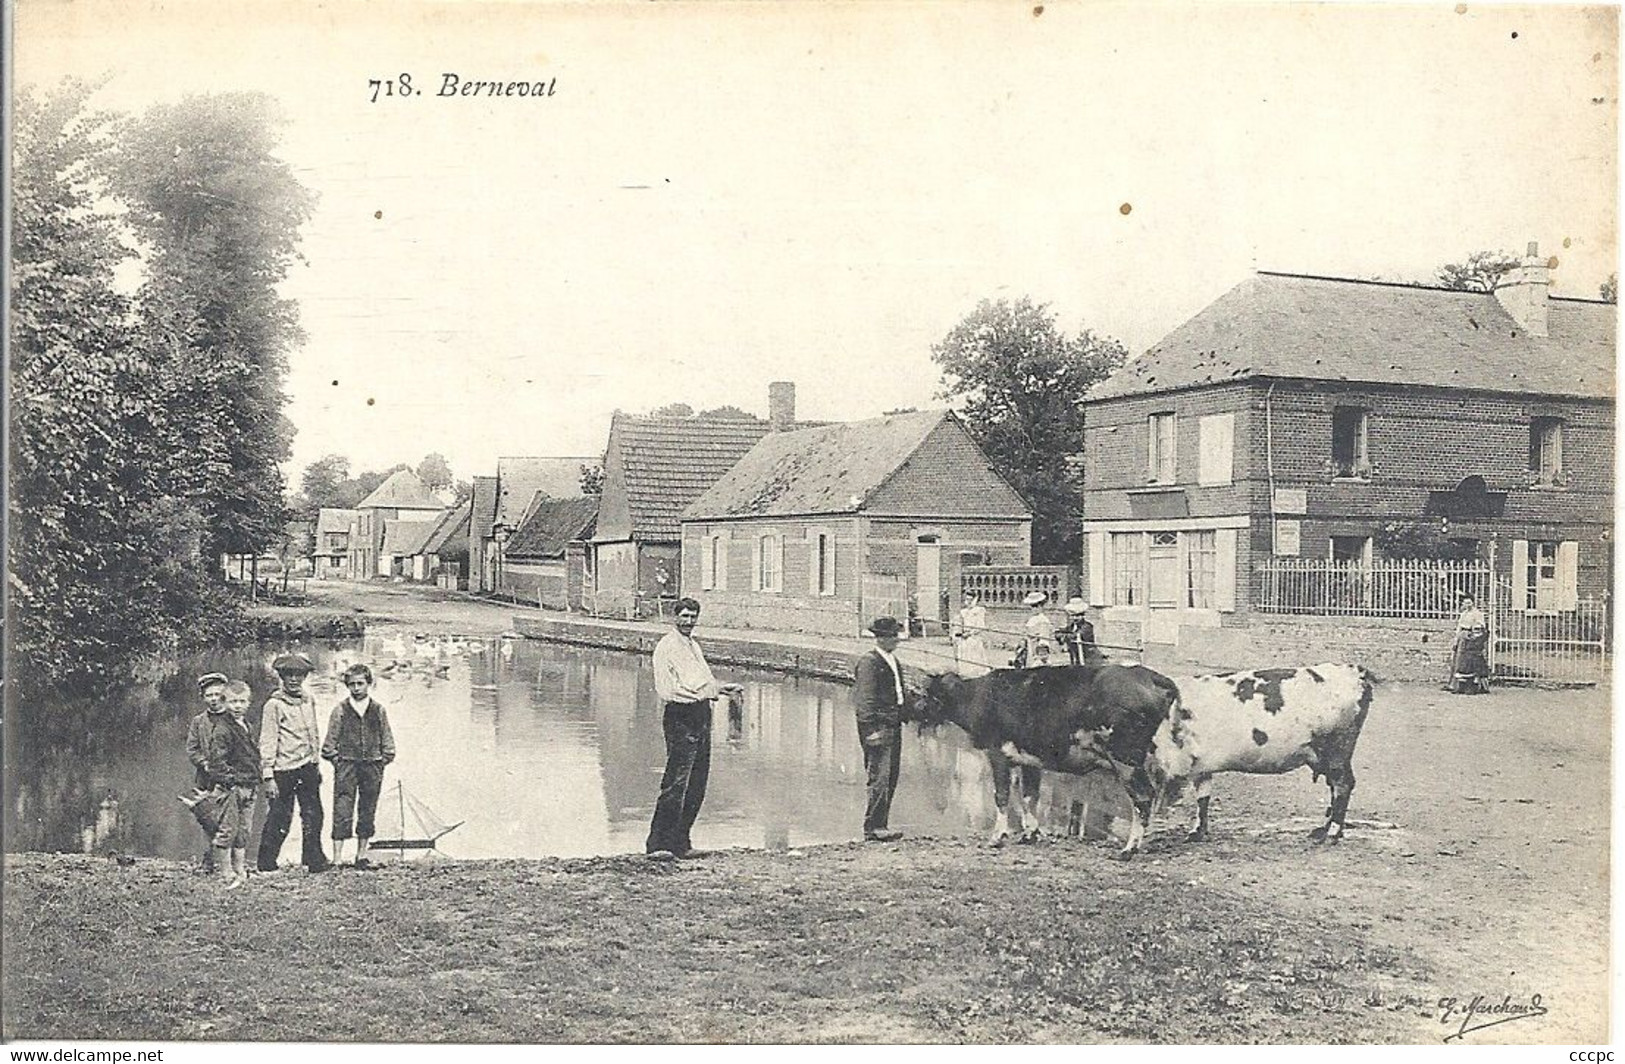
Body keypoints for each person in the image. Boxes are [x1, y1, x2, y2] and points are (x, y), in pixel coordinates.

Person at [646, 598, 743, 860]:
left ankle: (681, 842)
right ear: (674, 617)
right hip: (681, 716)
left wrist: (720, 689)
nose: (689, 621)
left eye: (693, 617)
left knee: (697, 782)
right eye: (684, 616)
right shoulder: (667, 647)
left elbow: (702, 683)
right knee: (676, 782)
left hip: (701, 714)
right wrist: (707, 693)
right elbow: (669, 690)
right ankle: (658, 844)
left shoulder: (693, 646)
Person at [256, 653, 331, 873]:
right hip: (283, 770)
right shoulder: (274, 705)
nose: (294, 680)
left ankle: (313, 859)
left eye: (299, 676)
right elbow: (267, 741)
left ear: (305, 677)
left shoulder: (309, 700)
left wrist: (315, 762)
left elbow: (314, 733)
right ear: (281, 677)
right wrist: (268, 776)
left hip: (307, 767)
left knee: (314, 814)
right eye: (288, 676)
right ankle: (266, 863)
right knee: (280, 817)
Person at [322, 663, 396, 869]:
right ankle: (337, 857)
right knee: (342, 808)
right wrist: (339, 761)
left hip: (372, 766)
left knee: (368, 807)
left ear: (369, 684)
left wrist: (382, 760)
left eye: (360, 684)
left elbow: (388, 741)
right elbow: (329, 744)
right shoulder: (341, 710)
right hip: (347, 766)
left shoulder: (378, 710)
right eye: (352, 684)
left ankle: (361, 855)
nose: (356, 688)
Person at [201, 680, 261, 888]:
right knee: (227, 829)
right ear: (224, 702)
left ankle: (240, 869)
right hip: (232, 787)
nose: (238, 706)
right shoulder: (222, 729)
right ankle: (226, 873)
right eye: (233, 701)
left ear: (248, 703)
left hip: (250, 785)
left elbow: (252, 756)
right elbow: (217, 763)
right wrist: (231, 782)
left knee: (244, 830)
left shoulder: (247, 726)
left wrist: (255, 778)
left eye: (242, 701)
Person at [853, 616, 908, 842]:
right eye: (891, 636)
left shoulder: (892, 660)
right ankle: (872, 827)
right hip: (878, 727)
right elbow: (865, 701)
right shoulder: (869, 662)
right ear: (880, 638)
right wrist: (869, 731)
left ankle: (882, 824)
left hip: (893, 724)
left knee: (891, 775)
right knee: (879, 776)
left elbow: (898, 693)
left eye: (896, 635)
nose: (895, 640)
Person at [185, 673, 229, 872]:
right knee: (206, 818)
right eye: (209, 695)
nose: (214, 699)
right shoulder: (198, 721)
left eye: (218, 694)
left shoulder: (234, 719)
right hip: (206, 777)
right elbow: (192, 749)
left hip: (228, 777)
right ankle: (208, 860)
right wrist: (204, 763)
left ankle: (230, 862)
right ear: (203, 697)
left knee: (228, 818)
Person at [954, 592, 992, 677]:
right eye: (967, 599)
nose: (969, 602)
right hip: (964, 637)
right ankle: (965, 672)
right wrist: (960, 632)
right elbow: (960, 624)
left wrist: (970, 633)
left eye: (971, 600)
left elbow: (980, 626)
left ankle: (976, 674)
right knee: (963, 652)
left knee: (975, 655)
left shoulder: (979, 611)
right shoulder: (963, 612)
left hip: (974, 636)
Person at [1060, 596, 1097, 666]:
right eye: (1072, 616)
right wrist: (1061, 634)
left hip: (1088, 658)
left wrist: (1065, 636)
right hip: (1076, 656)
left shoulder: (1087, 627)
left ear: (1082, 616)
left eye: (1077, 616)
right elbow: (1059, 632)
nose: (1075, 618)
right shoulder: (1071, 626)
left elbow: (1076, 636)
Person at [1022, 590, 1056, 667]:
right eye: (1032, 606)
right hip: (1031, 649)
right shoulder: (1033, 619)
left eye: (1036, 606)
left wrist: (1041, 658)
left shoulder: (1043, 620)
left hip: (1038, 655)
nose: (1034, 609)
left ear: (1041, 606)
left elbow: (1044, 640)